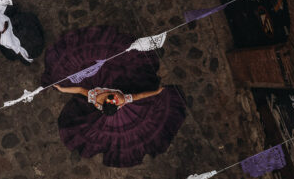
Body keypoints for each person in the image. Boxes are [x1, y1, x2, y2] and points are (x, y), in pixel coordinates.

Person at [41, 26, 186, 167]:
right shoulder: (117, 99)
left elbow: (79, 89)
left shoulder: (95, 96)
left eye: (112, 97)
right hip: (110, 97)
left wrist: (62, 88)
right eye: (114, 98)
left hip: (104, 86)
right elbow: (139, 95)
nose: (114, 96)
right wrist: (157, 92)